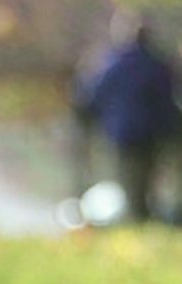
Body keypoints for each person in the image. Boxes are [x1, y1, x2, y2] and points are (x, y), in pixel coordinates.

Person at [75, 12, 181, 221]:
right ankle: (147, 216)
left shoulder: (111, 64)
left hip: (123, 133)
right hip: (154, 132)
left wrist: (88, 119)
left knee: (130, 181)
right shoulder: (159, 65)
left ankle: (138, 217)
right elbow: (168, 100)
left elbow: (93, 96)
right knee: (149, 177)